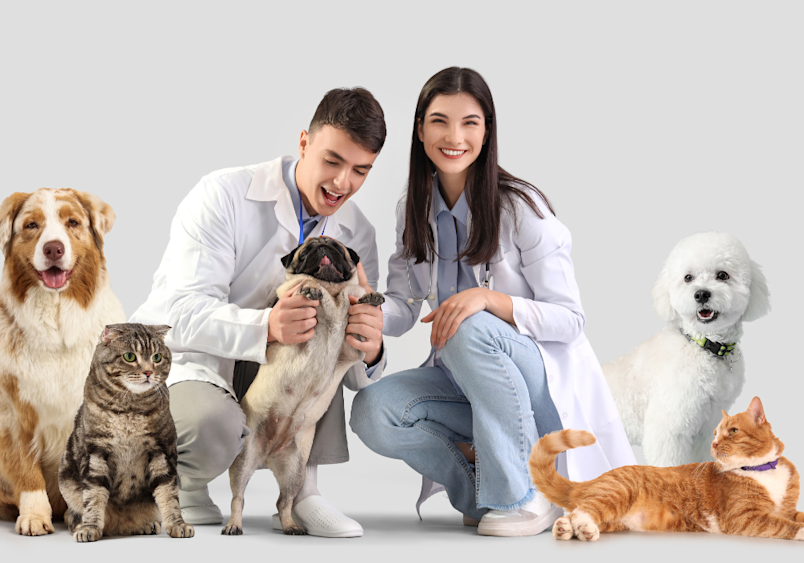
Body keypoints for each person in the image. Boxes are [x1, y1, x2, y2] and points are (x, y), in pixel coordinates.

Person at [350, 67, 635, 537]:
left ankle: (524, 492)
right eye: (439, 121)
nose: (454, 136)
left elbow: (570, 320)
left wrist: (487, 298)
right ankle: (482, 494)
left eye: (470, 123)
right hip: (462, 379)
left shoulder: (521, 207)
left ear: (487, 132)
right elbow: (404, 305)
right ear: (420, 130)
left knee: (467, 322)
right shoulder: (413, 208)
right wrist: (374, 311)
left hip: (536, 386)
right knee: (374, 410)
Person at [129, 88, 387, 538]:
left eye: (360, 170)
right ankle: (182, 482)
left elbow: (353, 375)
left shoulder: (357, 234)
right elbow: (180, 312)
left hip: (283, 380)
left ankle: (304, 493)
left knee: (321, 354)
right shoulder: (224, 194)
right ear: (304, 143)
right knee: (216, 426)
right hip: (195, 360)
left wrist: (371, 346)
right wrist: (267, 325)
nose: (343, 182)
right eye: (332, 160)